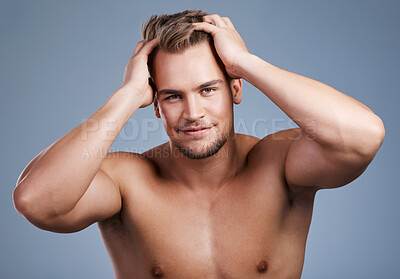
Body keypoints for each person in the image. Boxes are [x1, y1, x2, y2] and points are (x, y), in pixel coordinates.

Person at [13, 9, 385, 279]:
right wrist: (125, 96)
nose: (193, 112)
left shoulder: (278, 164)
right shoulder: (127, 182)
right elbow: (36, 201)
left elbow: (363, 136)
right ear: (155, 104)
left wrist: (244, 62)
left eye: (208, 89)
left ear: (235, 88)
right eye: (173, 96)